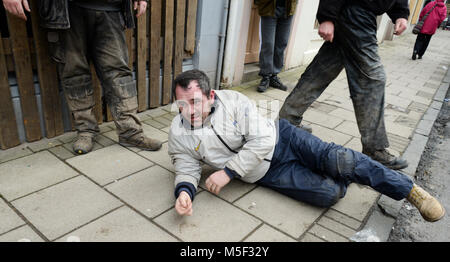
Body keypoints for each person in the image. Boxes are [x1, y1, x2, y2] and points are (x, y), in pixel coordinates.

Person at [168, 69, 444, 223]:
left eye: (195, 102)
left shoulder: (234, 102)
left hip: (283, 139)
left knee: (340, 161)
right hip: (265, 174)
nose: (189, 110)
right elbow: (186, 165)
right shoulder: (178, 131)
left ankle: (408, 190)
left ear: (210, 95)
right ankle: (345, 170)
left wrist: (228, 172)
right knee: (328, 194)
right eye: (182, 104)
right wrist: (185, 191)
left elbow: (262, 139)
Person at [2, 0, 162, 154]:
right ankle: (86, 130)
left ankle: (130, 132)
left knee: (119, 73)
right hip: (65, 10)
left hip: (110, 7)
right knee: (74, 73)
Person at [278, 0, 411, 170]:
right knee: (373, 80)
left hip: (359, 13)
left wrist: (400, 13)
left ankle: (287, 120)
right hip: (356, 12)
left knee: (321, 71)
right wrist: (326, 16)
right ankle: (374, 149)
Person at [254, 0, 297, 93]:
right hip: (268, 7)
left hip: (288, 9)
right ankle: (266, 77)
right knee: (268, 44)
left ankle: (274, 76)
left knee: (281, 44)